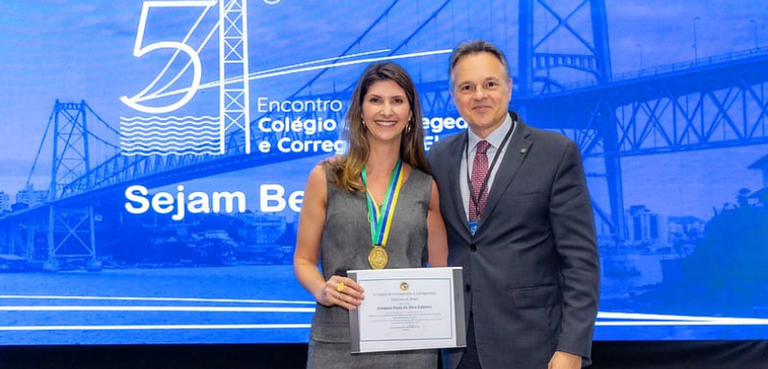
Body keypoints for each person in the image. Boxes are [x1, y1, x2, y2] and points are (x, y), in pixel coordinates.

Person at [428, 40, 600, 369]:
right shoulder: (440, 155)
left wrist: (572, 347)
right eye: (467, 87)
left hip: (535, 348)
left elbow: (581, 262)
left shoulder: (556, 152)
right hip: (460, 349)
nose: (479, 95)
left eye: (490, 84)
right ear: (454, 97)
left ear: (509, 88)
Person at [293, 61, 449, 369]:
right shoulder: (326, 177)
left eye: (397, 101)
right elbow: (303, 261)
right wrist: (321, 289)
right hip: (338, 342)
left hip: (410, 347)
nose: (386, 111)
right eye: (375, 100)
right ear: (361, 112)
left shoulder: (426, 186)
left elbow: (442, 273)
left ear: (410, 114)